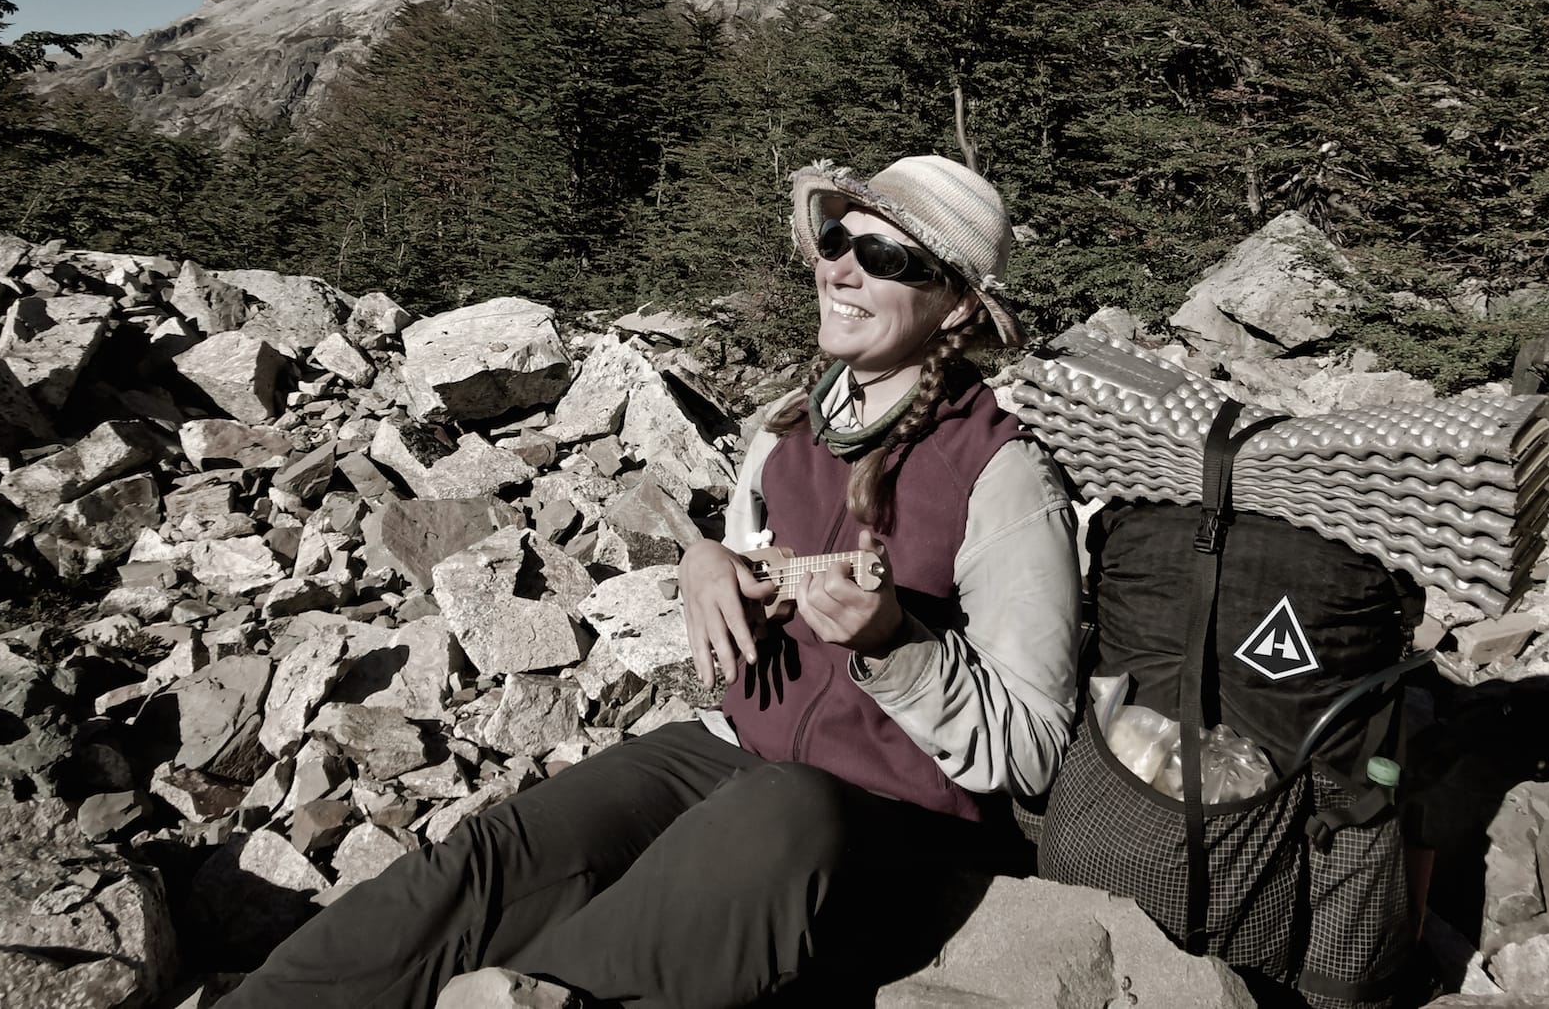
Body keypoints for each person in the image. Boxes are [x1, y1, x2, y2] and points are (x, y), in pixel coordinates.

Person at [221, 155, 1080, 1009]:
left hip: (890, 822)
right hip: (728, 749)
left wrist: (895, 646)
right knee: (491, 862)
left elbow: (1034, 748)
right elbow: (747, 560)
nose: (843, 267)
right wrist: (706, 562)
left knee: (771, 820)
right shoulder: (789, 429)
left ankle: (539, 995)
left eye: (889, 259)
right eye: (836, 238)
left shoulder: (1001, 473)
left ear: (957, 304)